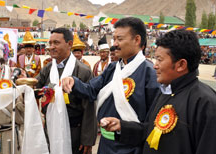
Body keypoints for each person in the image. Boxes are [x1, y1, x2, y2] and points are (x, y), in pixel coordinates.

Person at [100, 29, 216, 154]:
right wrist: (122, 127)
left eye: (160, 60)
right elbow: (150, 130)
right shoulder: (165, 93)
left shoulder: (205, 103)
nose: (155, 65)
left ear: (181, 65)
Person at [62, 17, 161, 154]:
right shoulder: (112, 69)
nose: (114, 44)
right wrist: (73, 82)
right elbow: (91, 90)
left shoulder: (150, 74)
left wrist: (125, 128)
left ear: (137, 40)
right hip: (106, 143)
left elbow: (153, 121)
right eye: (114, 39)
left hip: (131, 147)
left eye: (119, 39)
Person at [36, 28, 97, 154]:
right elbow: (36, 88)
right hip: (51, 128)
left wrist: (87, 140)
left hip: (74, 131)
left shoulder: (83, 71)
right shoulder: (47, 69)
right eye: (50, 43)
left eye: (56, 43)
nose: (51, 47)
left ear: (69, 44)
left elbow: (89, 107)